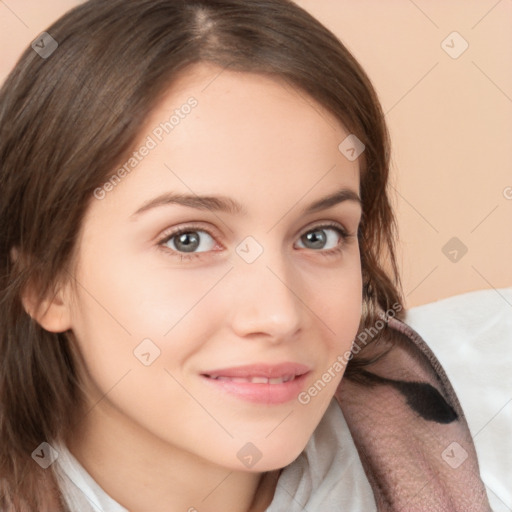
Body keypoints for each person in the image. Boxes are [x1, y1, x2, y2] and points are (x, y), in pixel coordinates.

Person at [0, 0, 492, 511]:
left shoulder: (476, 431)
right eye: (188, 239)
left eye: (319, 236)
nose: (278, 316)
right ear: (45, 281)